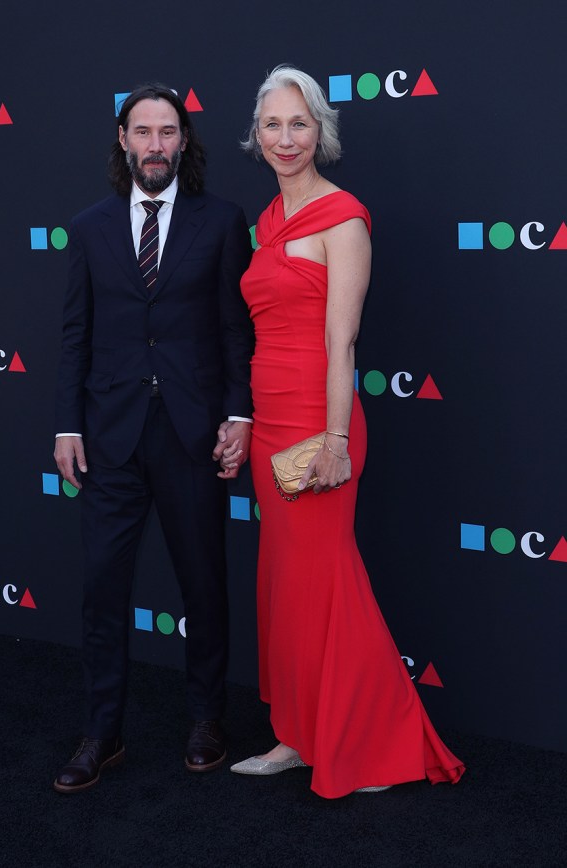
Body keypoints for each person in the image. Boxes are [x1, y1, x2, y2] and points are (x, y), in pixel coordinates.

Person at [227, 66, 465, 798]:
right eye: (273, 124)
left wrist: (335, 439)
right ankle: (299, 737)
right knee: (290, 590)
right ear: (256, 135)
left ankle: (374, 742)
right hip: (269, 424)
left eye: (300, 124)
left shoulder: (344, 217)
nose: (286, 138)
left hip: (317, 424)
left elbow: (343, 344)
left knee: (329, 585)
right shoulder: (265, 223)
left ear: (321, 132)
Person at [52, 83, 254, 793]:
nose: (156, 146)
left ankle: (206, 718)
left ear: (184, 142)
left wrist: (239, 413)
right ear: (123, 140)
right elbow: (76, 333)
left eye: (169, 133)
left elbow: (235, 329)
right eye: (144, 132)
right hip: (109, 437)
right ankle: (100, 732)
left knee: (203, 580)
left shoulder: (223, 222)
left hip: (193, 433)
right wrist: (68, 423)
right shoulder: (89, 227)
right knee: (103, 588)